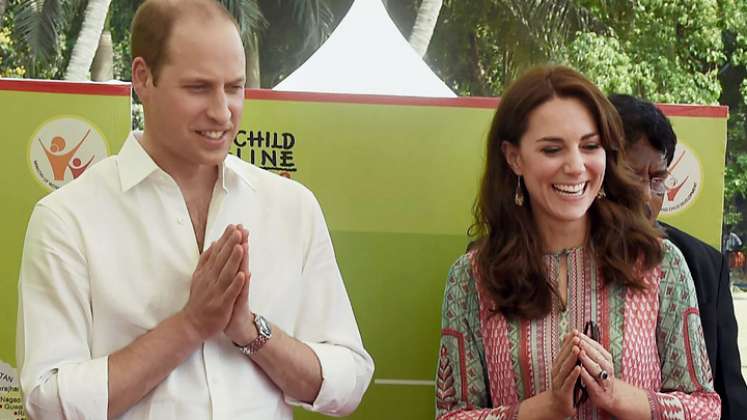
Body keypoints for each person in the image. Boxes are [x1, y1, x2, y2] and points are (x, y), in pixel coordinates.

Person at [16, 1, 373, 418]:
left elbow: (348, 382)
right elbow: (49, 401)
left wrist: (250, 331)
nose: (222, 112)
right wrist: (188, 326)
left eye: (234, 87)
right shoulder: (67, 219)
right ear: (143, 78)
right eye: (198, 88)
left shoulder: (291, 206)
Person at [435, 66, 720, 419]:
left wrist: (617, 396)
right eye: (552, 149)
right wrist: (545, 408)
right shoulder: (474, 278)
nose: (575, 166)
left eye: (589, 146)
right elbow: (451, 415)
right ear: (514, 157)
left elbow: (705, 408)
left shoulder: (657, 263)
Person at [610, 93, 747, 419]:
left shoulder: (702, 266)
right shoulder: (528, 259)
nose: (645, 195)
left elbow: (729, 397)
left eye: (657, 179)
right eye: (631, 175)